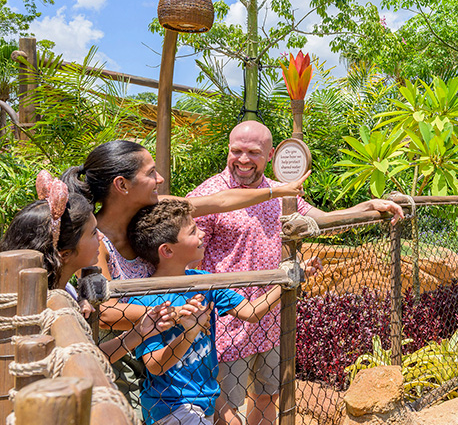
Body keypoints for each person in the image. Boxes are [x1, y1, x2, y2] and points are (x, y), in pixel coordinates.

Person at [60, 139, 308, 407]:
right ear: (122, 185)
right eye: (150, 173)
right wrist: (177, 313)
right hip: (122, 358)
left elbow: (220, 201)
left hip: (164, 349)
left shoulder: (152, 216)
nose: (160, 178)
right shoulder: (95, 242)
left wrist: (277, 191)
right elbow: (107, 313)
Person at [187, 121, 404, 425]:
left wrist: (369, 205)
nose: (244, 159)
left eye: (253, 152)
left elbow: (323, 220)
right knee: (225, 409)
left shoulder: (280, 193)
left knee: (267, 396)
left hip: (273, 317)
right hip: (227, 322)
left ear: (271, 154)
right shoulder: (209, 194)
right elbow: (188, 259)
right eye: (236, 150)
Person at [126, 199, 316, 425]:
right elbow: (155, 366)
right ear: (167, 250)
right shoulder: (147, 298)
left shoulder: (204, 281)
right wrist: (190, 331)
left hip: (205, 397)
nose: (203, 233)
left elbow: (250, 312)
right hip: (170, 406)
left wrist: (291, 278)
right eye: (193, 231)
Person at [0, 170, 177, 364]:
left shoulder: (63, 290)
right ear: (64, 254)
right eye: (93, 233)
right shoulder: (39, 309)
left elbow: (89, 358)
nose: (101, 237)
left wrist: (138, 333)